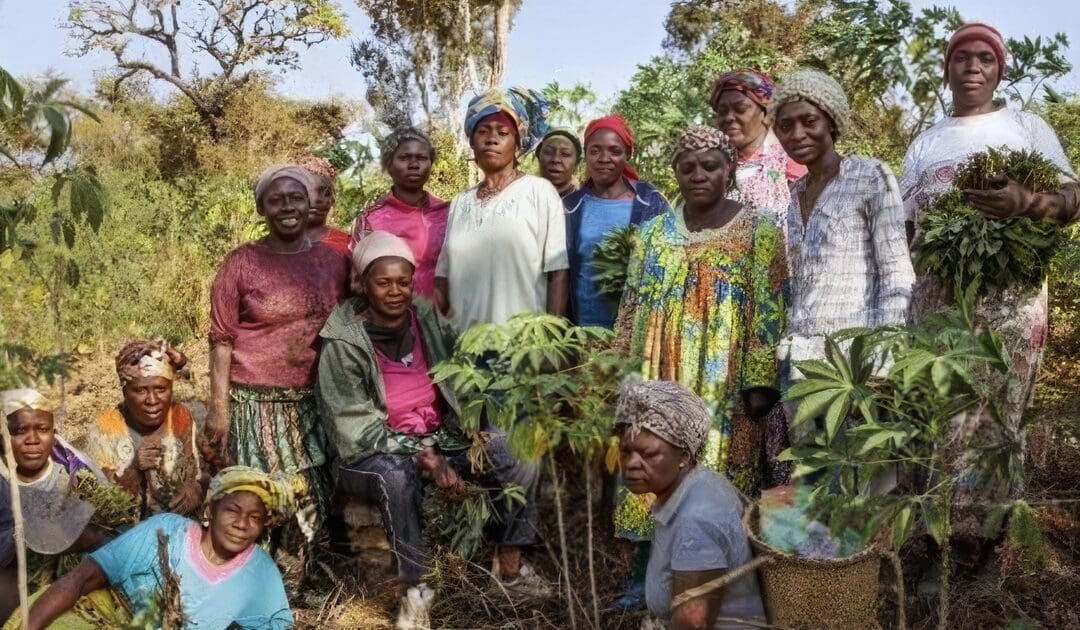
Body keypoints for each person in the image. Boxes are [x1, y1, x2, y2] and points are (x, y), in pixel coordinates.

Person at [317, 232, 545, 626]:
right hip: (373, 452)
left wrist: (475, 423)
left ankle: (509, 567)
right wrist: (426, 459)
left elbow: (464, 377)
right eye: (382, 282)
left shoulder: (427, 320)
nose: (394, 292)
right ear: (362, 284)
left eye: (402, 282)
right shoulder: (343, 341)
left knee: (516, 449)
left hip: (441, 437)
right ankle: (415, 592)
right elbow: (353, 426)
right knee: (396, 475)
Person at [899, 23, 1079, 500]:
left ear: (999, 70)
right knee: (939, 410)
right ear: (947, 69)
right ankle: (938, 536)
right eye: (962, 57)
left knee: (997, 412)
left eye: (985, 58)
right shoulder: (925, 143)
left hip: (1009, 296)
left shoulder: (1025, 127)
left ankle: (986, 544)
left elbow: (1072, 198)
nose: (973, 66)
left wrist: (1026, 201)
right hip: (935, 298)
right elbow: (906, 229)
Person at [612, 126, 788, 609]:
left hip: (722, 376)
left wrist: (759, 381)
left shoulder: (760, 231)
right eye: (687, 167)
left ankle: (723, 578)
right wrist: (625, 377)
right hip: (659, 372)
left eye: (710, 165)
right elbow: (630, 307)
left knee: (717, 469)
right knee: (650, 462)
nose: (699, 175)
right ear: (675, 173)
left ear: (729, 168)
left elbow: (770, 309)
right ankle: (645, 569)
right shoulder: (652, 233)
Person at [206, 163, 350, 587]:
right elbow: (220, 340)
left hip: (314, 398)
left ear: (309, 205)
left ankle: (293, 578)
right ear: (261, 208)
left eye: (296, 197)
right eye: (276, 199)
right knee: (268, 493)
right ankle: (254, 581)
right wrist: (218, 408)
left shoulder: (332, 261)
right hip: (255, 400)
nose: (287, 206)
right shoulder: (242, 263)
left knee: (313, 493)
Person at [772, 69, 915, 442]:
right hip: (801, 364)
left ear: (831, 122)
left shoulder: (870, 176)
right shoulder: (794, 194)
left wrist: (885, 357)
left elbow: (897, 269)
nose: (797, 134)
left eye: (809, 121)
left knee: (862, 483)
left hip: (856, 362)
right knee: (816, 480)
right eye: (785, 126)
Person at [16, 466, 297, 630]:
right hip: (107, 616)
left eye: (255, 518)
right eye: (232, 511)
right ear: (211, 509)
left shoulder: (261, 572)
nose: (242, 523)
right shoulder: (166, 531)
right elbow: (81, 579)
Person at [616, 380, 766, 629]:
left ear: (684, 456)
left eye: (649, 454)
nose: (631, 463)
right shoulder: (702, 482)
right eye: (626, 451)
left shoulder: (695, 521)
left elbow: (692, 624)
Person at [434, 86, 569, 329]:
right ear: (472, 143)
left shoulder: (539, 192)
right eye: (482, 131)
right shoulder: (461, 202)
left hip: (520, 347)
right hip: (463, 350)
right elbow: (443, 277)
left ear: (518, 144)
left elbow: (558, 273)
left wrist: (552, 340)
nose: (491, 139)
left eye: (503, 132)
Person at [1, 389, 106, 622]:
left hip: (72, 579)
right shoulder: (3, 480)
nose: (32, 439)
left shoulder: (74, 472)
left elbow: (102, 533)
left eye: (42, 429)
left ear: (54, 433)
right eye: (19, 431)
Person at [563, 115, 671, 328]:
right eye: (595, 151)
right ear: (585, 154)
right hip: (584, 332)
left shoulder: (650, 201)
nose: (604, 158)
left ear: (628, 154)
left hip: (639, 332)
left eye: (615, 151)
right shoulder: (570, 207)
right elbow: (559, 275)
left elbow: (670, 263)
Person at [84, 340, 204, 519]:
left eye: (161, 389)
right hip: (126, 537)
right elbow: (98, 507)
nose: (152, 400)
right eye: (140, 390)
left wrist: (195, 491)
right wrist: (133, 470)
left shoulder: (180, 416)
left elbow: (201, 473)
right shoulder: (106, 428)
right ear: (125, 392)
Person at [349, 128, 450, 301]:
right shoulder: (371, 220)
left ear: (430, 164)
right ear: (389, 165)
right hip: (394, 322)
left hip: (445, 320)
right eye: (404, 158)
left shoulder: (449, 214)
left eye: (421, 158)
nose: (413, 164)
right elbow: (358, 283)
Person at [710, 68, 807, 232]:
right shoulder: (714, 170)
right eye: (722, 111)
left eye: (740, 109)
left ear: (767, 113)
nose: (728, 118)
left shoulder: (791, 162)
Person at [298, 154, 351, 256]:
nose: (317, 199)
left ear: (333, 199)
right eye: (307, 192)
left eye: (326, 193)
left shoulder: (348, 245)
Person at [535, 128, 582, 198]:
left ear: (576, 164)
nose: (555, 159)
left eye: (565, 154)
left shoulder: (584, 205)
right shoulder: (522, 197)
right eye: (548, 152)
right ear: (539, 158)